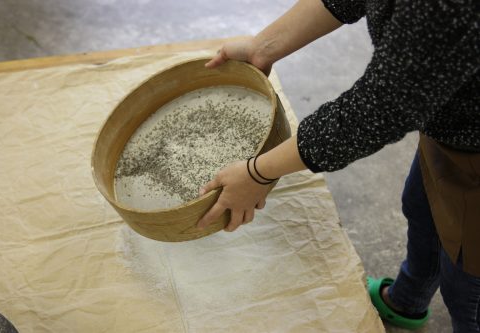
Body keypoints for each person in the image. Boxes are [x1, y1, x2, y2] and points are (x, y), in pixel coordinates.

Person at [195, 0, 480, 331]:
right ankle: (407, 300)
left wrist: (257, 172)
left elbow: (378, 111)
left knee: (467, 286)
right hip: (451, 124)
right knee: (422, 209)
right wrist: (263, 47)